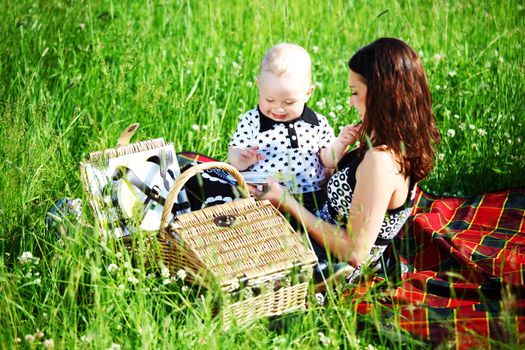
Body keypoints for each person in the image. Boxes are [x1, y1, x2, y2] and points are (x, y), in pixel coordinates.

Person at [251, 37, 441, 288]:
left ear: (382, 94)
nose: (351, 102)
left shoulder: (381, 161)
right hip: (318, 233)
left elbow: (353, 251)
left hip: (327, 264)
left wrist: (286, 201)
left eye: (355, 93)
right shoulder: (394, 140)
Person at [228, 42, 356, 214]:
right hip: (265, 197)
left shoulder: (317, 123)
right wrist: (241, 158)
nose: (278, 109)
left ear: (308, 93)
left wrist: (341, 143)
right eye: (269, 100)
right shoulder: (252, 120)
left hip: (310, 198)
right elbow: (234, 154)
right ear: (258, 85)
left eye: (289, 102)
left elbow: (328, 160)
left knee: (306, 234)